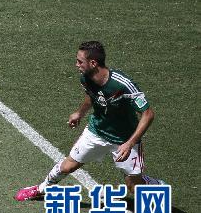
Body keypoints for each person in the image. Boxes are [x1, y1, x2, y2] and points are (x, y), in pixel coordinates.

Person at [16, 41, 164, 201]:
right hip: (97, 132)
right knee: (68, 165)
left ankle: (157, 186)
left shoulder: (123, 85)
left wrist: (129, 143)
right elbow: (92, 95)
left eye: (80, 61)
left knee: (133, 186)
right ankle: (41, 189)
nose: (76, 64)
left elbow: (148, 114)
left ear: (93, 63)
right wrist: (79, 113)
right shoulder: (86, 79)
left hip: (124, 140)